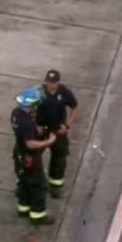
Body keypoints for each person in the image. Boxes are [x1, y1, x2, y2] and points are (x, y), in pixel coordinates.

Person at [10, 87, 57, 225]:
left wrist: (36, 129)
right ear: (31, 104)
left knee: (24, 182)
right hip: (29, 156)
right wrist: (48, 141)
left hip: (19, 153)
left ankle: (23, 208)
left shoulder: (16, 113)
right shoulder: (26, 122)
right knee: (38, 185)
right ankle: (38, 215)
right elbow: (30, 144)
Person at [36, 69, 79, 198]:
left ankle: (55, 185)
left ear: (58, 82)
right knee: (32, 158)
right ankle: (26, 184)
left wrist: (67, 125)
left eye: (54, 82)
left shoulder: (64, 92)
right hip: (41, 131)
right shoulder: (38, 92)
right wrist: (35, 125)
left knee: (59, 159)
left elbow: (75, 107)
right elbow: (28, 108)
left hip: (58, 131)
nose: (51, 84)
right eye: (49, 82)